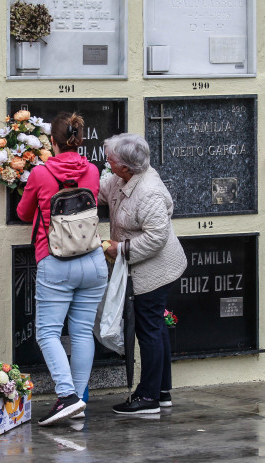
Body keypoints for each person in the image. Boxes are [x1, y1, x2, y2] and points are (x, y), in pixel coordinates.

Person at [17, 112, 108, 425]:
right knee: (82, 332)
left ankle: (67, 396)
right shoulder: (93, 170)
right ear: (79, 140)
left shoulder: (41, 174)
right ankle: (79, 400)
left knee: (47, 333)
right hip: (94, 261)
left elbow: (23, 212)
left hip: (57, 262)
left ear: (51, 141)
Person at [99, 133, 187, 414]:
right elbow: (101, 187)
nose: (107, 164)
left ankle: (147, 398)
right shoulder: (122, 178)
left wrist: (120, 248)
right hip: (146, 267)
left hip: (156, 270)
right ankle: (161, 392)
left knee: (147, 329)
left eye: (110, 160)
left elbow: (157, 237)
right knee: (156, 327)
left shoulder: (147, 190)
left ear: (126, 166)